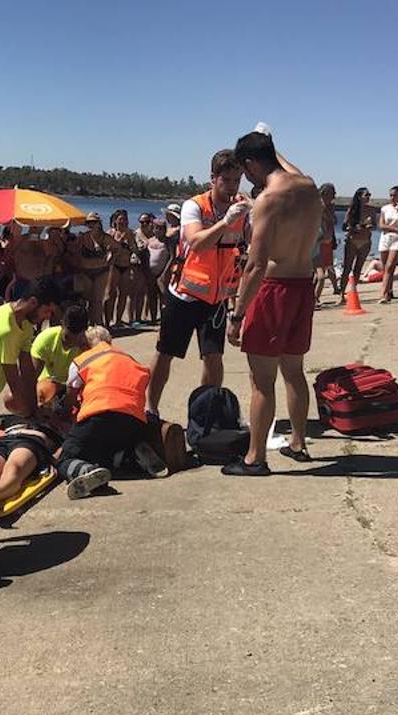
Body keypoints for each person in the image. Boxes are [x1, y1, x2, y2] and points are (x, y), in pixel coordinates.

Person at [223, 129, 320, 475]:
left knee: (261, 379)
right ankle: (298, 442)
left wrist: (237, 314)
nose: (246, 177)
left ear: (250, 163)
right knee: (293, 371)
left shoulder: (268, 200)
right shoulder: (308, 187)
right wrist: (271, 144)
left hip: (274, 289)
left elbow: (256, 264)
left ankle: (255, 458)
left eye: (245, 169)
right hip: (303, 285)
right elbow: (284, 166)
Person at [146, 148, 249, 419]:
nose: (231, 187)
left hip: (215, 299)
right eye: (226, 180)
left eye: (236, 180)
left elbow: (252, 241)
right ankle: (150, 408)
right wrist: (226, 222)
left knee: (214, 359)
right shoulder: (195, 206)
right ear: (213, 179)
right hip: (185, 294)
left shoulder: (241, 205)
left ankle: (206, 413)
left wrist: (254, 212)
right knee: (165, 352)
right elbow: (196, 241)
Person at [58, 330, 166, 499]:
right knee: (109, 453)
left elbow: (70, 401)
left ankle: (85, 470)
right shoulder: (129, 359)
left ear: (85, 345)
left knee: (65, 458)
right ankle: (131, 453)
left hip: (98, 414)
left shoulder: (82, 360)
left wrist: (64, 417)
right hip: (134, 420)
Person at [0, 276, 63, 414]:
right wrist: (30, 415)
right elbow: (14, 380)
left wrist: (34, 408)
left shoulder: (25, 324)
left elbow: (27, 370)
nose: (47, 317)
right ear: (33, 302)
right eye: (47, 311)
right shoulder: (6, 329)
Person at [0, 420, 64, 512]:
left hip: (31, 441)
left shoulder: (55, 427)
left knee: (14, 467)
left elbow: (66, 445)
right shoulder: (13, 421)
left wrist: (54, 459)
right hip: (3, 440)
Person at [30, 303, 90, 409]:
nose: (72, 342)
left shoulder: (90, 343)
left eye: (76, 338)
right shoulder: (46, 339)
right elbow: (31, 377)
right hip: (51, 385)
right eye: (67, 337)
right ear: (62, 324)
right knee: (43, 390)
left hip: (76, 387)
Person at [107, 210, 144, 329]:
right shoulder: (111, 233)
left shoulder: (130, 233)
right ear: (115, 220)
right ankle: (108, 320)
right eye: (120, 219)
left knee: (123, 294)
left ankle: (118, 320)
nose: (122, 221)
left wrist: (131, 243)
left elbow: (135, 249)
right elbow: (109, 248)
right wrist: (120, 240)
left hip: (126, 266)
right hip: (114, 265)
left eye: (124, 219)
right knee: (111, 294)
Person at [74, 213, 113, 325]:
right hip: (85, 270)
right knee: (86, 299)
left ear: (98, 223)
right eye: (89, 223)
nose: (91, 225)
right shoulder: (82, 237)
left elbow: (117, 248)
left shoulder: (105, 238)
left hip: (101, 270)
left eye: (93, 222)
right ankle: (87, 325)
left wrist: (111, 260)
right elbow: (74, 250)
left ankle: (98, 324)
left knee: (97, 301)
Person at [378, 187, 398, 304]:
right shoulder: (385, 209)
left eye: (395, 195)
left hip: (397, 240)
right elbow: (381, 225)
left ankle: (383, 294)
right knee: (385, 267)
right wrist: (394, 228)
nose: (392, 198)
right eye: (391, 195)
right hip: (385, 238)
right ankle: (388, 291)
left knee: (390, 266)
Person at [339, 188, 375, 290]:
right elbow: (344, 227)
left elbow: (375, 226)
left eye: (369, 195)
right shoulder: (352, 210)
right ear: (359, 197)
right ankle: (342, 292)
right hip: (352, 240)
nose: (368, 197)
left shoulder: (371, 210)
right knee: (347, 267)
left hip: (365, 241)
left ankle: (352, 290)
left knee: (358, 268)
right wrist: (353, 228)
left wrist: (370, 227)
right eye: (366, 195)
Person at [314, 183, 340, 304]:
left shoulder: (329, 206)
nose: (334, 196)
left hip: (327, 240)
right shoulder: (318, 205)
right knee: (320, 272)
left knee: (327, 266)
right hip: (318, 241)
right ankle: (315, 297)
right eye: (332, 193)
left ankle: (316, 296)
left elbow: (334, 221)